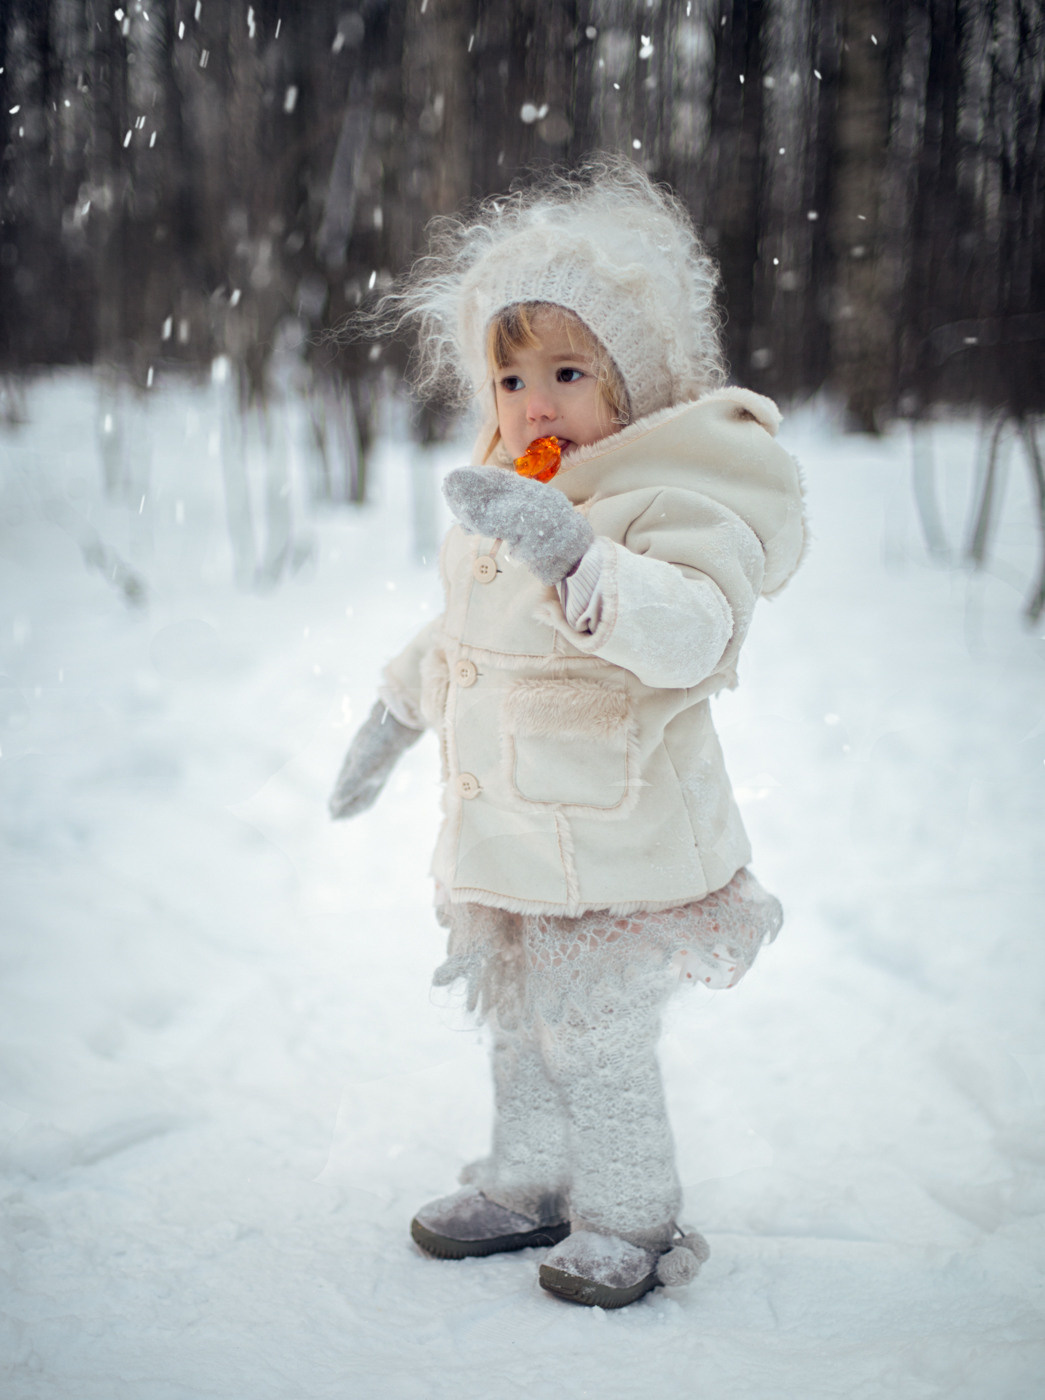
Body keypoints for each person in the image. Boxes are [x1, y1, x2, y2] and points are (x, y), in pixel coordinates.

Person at [329, 158, 806, 1309]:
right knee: (519, 1026)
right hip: (513, 842)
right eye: (507, 376)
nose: (530, 403)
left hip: (617, 842)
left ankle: (631, 1214)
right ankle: (529, 1177)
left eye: (566, 370)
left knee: (592, 1034)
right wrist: (395, 712)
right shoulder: (504, 493)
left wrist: (576, 555)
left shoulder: (671, 494)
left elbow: (689, 630)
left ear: (632, 385)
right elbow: (463, 634)